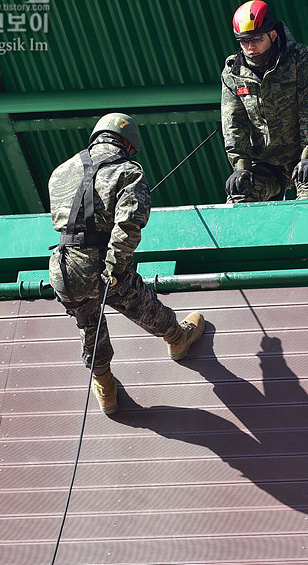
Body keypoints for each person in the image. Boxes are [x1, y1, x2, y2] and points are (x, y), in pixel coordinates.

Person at [48, 113, 205, 415]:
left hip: (63, 265)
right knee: (140, 302)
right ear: (129, 146)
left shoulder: (61, 171)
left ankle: (104, 385)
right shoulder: (127, 170)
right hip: (99, 262)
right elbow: (129, 224)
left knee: (89, 325)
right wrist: (115, 268)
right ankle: (177, 337)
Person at [221, 0, 308, 203]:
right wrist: (240, 168)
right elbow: (233, 123)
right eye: (244, 40)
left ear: (273, 35)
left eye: (257, 38)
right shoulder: (234, 72)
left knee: (307, 198)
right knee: (239, 196)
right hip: (267, 161)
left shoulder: (300, 59)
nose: (250, 46)